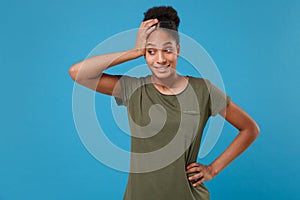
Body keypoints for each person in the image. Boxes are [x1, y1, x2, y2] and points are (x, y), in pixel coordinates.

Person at [69, 6, 260, 200]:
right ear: (145, 54)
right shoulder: (133, 89)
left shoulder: (203, 90)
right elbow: (77, 73)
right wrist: (133, 51)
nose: (160, 59)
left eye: (167, 50)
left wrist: (213, 169)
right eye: (151, 51)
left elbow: (249, 129)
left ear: (178, 50)